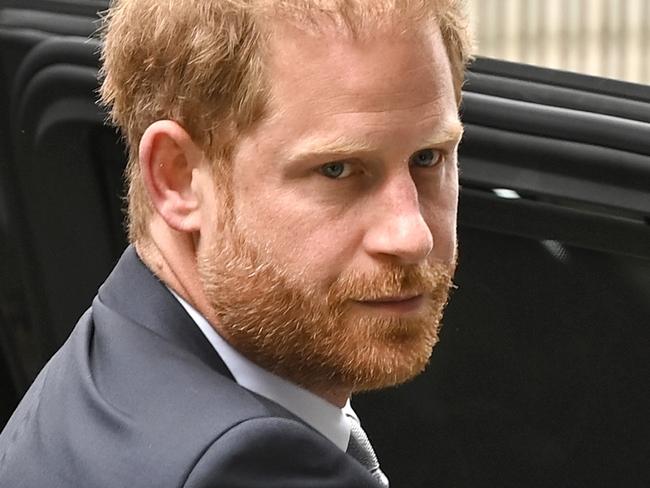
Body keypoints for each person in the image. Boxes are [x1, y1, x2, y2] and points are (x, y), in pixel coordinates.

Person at [0, 0, 471, 486]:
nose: (412, 235)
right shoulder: (246, 467)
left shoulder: (109, 360)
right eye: (337, 169)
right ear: (178, 178)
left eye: (429, 158)